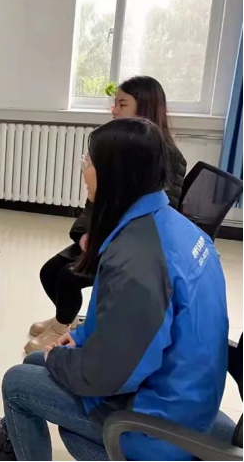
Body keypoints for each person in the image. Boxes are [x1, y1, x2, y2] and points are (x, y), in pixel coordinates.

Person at [0, 118, 230, 461]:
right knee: (35, 360)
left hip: (158, 425)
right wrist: (80, 337)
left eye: (87, 162)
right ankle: (12, 445)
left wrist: (60, 358)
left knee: (17, 383)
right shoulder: (175, 228)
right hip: (187, 395)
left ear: (114, 174)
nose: (83, 171)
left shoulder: (137, 260)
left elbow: (109, 375)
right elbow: (132, 325)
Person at [26, 76, 187, 353]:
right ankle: (65, 319)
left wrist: (105, 239)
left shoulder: (167, 157)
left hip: (130, 246)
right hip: (104, 234)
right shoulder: (121, 148)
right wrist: (85, 233)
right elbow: (97, 201)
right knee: (49, 271)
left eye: (122, 104)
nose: (114, 110)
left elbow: (159, 214)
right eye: (114, 103)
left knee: (67, 276)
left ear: (145, 107)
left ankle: (63, 329)